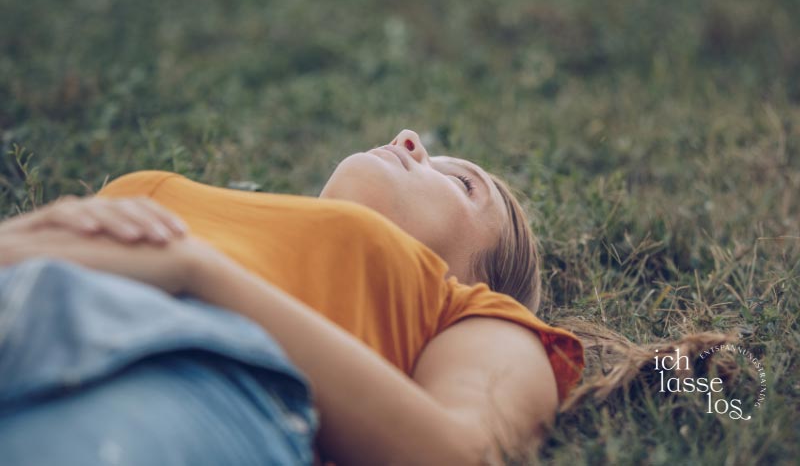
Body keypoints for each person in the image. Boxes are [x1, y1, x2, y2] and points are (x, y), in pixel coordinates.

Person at [0, 128, 585, 465]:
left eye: (462, 184)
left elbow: (460, 455)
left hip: (185, 375)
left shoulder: (470, 315)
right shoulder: (246, 218)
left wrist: (194, 272)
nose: (409, 138)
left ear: (478, 282)